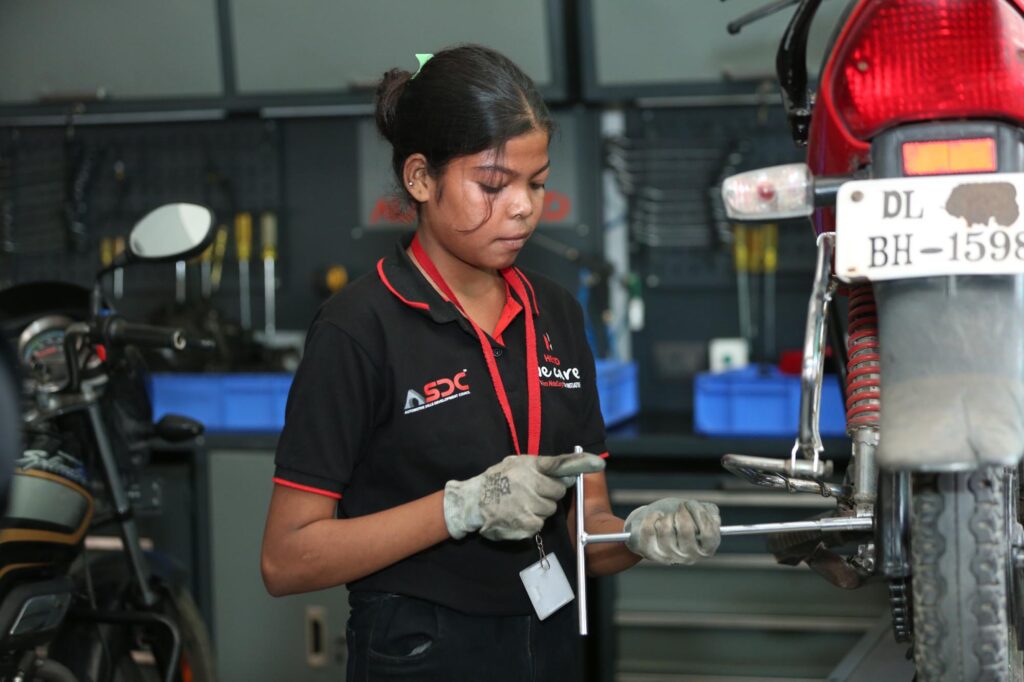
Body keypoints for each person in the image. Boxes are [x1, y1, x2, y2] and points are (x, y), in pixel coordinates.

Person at [260, 44, 722, 681]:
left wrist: (638, 535)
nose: (524, 207)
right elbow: (286, 559)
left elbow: (585, 529)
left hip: (550, 641)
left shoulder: (555, 314)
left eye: (537, 183)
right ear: (420, 179)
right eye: (493, 185)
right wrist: (462, 507)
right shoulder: (358, 328)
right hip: (422, 652)